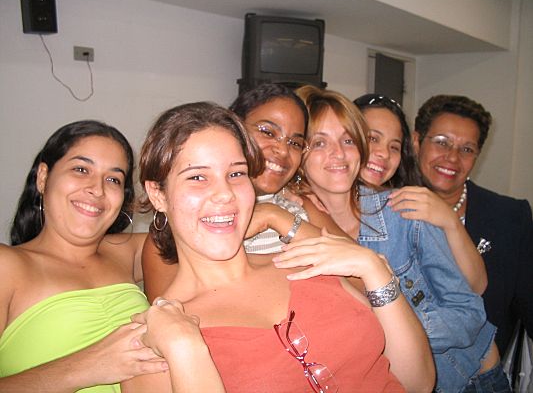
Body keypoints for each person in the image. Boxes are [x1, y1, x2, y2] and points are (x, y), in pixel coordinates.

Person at [122, 101, 435, 392]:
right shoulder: (156, 340)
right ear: (158, 194)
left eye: (236, 173)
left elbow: (417, 382)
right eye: (197, 177)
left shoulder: (308, 262)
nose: (225, 194)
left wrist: (374, 268)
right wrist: (184, 348)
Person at [282, 85, 504, 393]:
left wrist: (391, 328)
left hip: (466, 380)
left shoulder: (402, 213)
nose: (339, 153)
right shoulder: (294, 229)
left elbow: (470, 313)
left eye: (348, 140)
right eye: (319, 142)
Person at [0, 121, 166, 392]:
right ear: (43, 177)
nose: (97, 189)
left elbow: (197, 229)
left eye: (113, 179)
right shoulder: (7, 265)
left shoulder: (126, 251)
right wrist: (89, 366)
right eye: (81, 169)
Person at [142, 83, 344, 302]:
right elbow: (170, 314)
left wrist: (274, 215)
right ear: (235, 129)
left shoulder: (298, 205)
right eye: (268, 132)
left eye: (295, 143)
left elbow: (359, 273)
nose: (283, 150)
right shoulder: (179, 231)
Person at [411, 94, 533, 368]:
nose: (452, 157)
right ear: (417, 142)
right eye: (441, 142)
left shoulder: (510, 217)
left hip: (484, 374)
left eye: (467, 149)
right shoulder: (385, 210)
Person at [353, 93, 487, 294]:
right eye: (442, 142)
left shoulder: (403, 210)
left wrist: (450, 221)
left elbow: (471, 288)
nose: (452, 157)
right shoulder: (312, 204)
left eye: (394, 147)